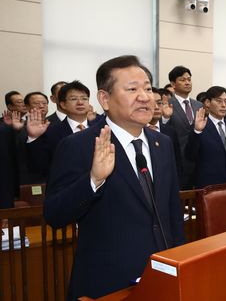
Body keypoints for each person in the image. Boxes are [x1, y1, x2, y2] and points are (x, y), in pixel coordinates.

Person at [43, 55, 185, 300]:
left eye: (148, 88)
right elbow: (55, 214)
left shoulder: (163, 143)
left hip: (162, 278)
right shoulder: (79, 146)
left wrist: (180, 261)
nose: (144, 96)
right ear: (105, 99)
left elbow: (172, 212)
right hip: (109, 283)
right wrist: (93, 180)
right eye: (132, 89)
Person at [26, 81, 95, 178]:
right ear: (63, 104)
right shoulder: (51, 131)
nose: (80, 102)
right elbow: (40, 167)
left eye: (84, 98)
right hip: (66, 189)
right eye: (73, 99)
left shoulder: (102, 128)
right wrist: (33, 138)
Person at [187, 86, 226, 188]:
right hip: (209, 186)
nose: (223, 105)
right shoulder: (199, 126)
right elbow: (190, 155)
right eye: (219, 101)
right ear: (208, 103)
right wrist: (197, 131)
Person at [165, 65, 203, 189]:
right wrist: (165, 118)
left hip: (199, 161)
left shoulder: (199, 105)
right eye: (182, 80)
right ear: (173, 84)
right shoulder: (167, 105)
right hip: (177, 161)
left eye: (189, 79)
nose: (187, 83)